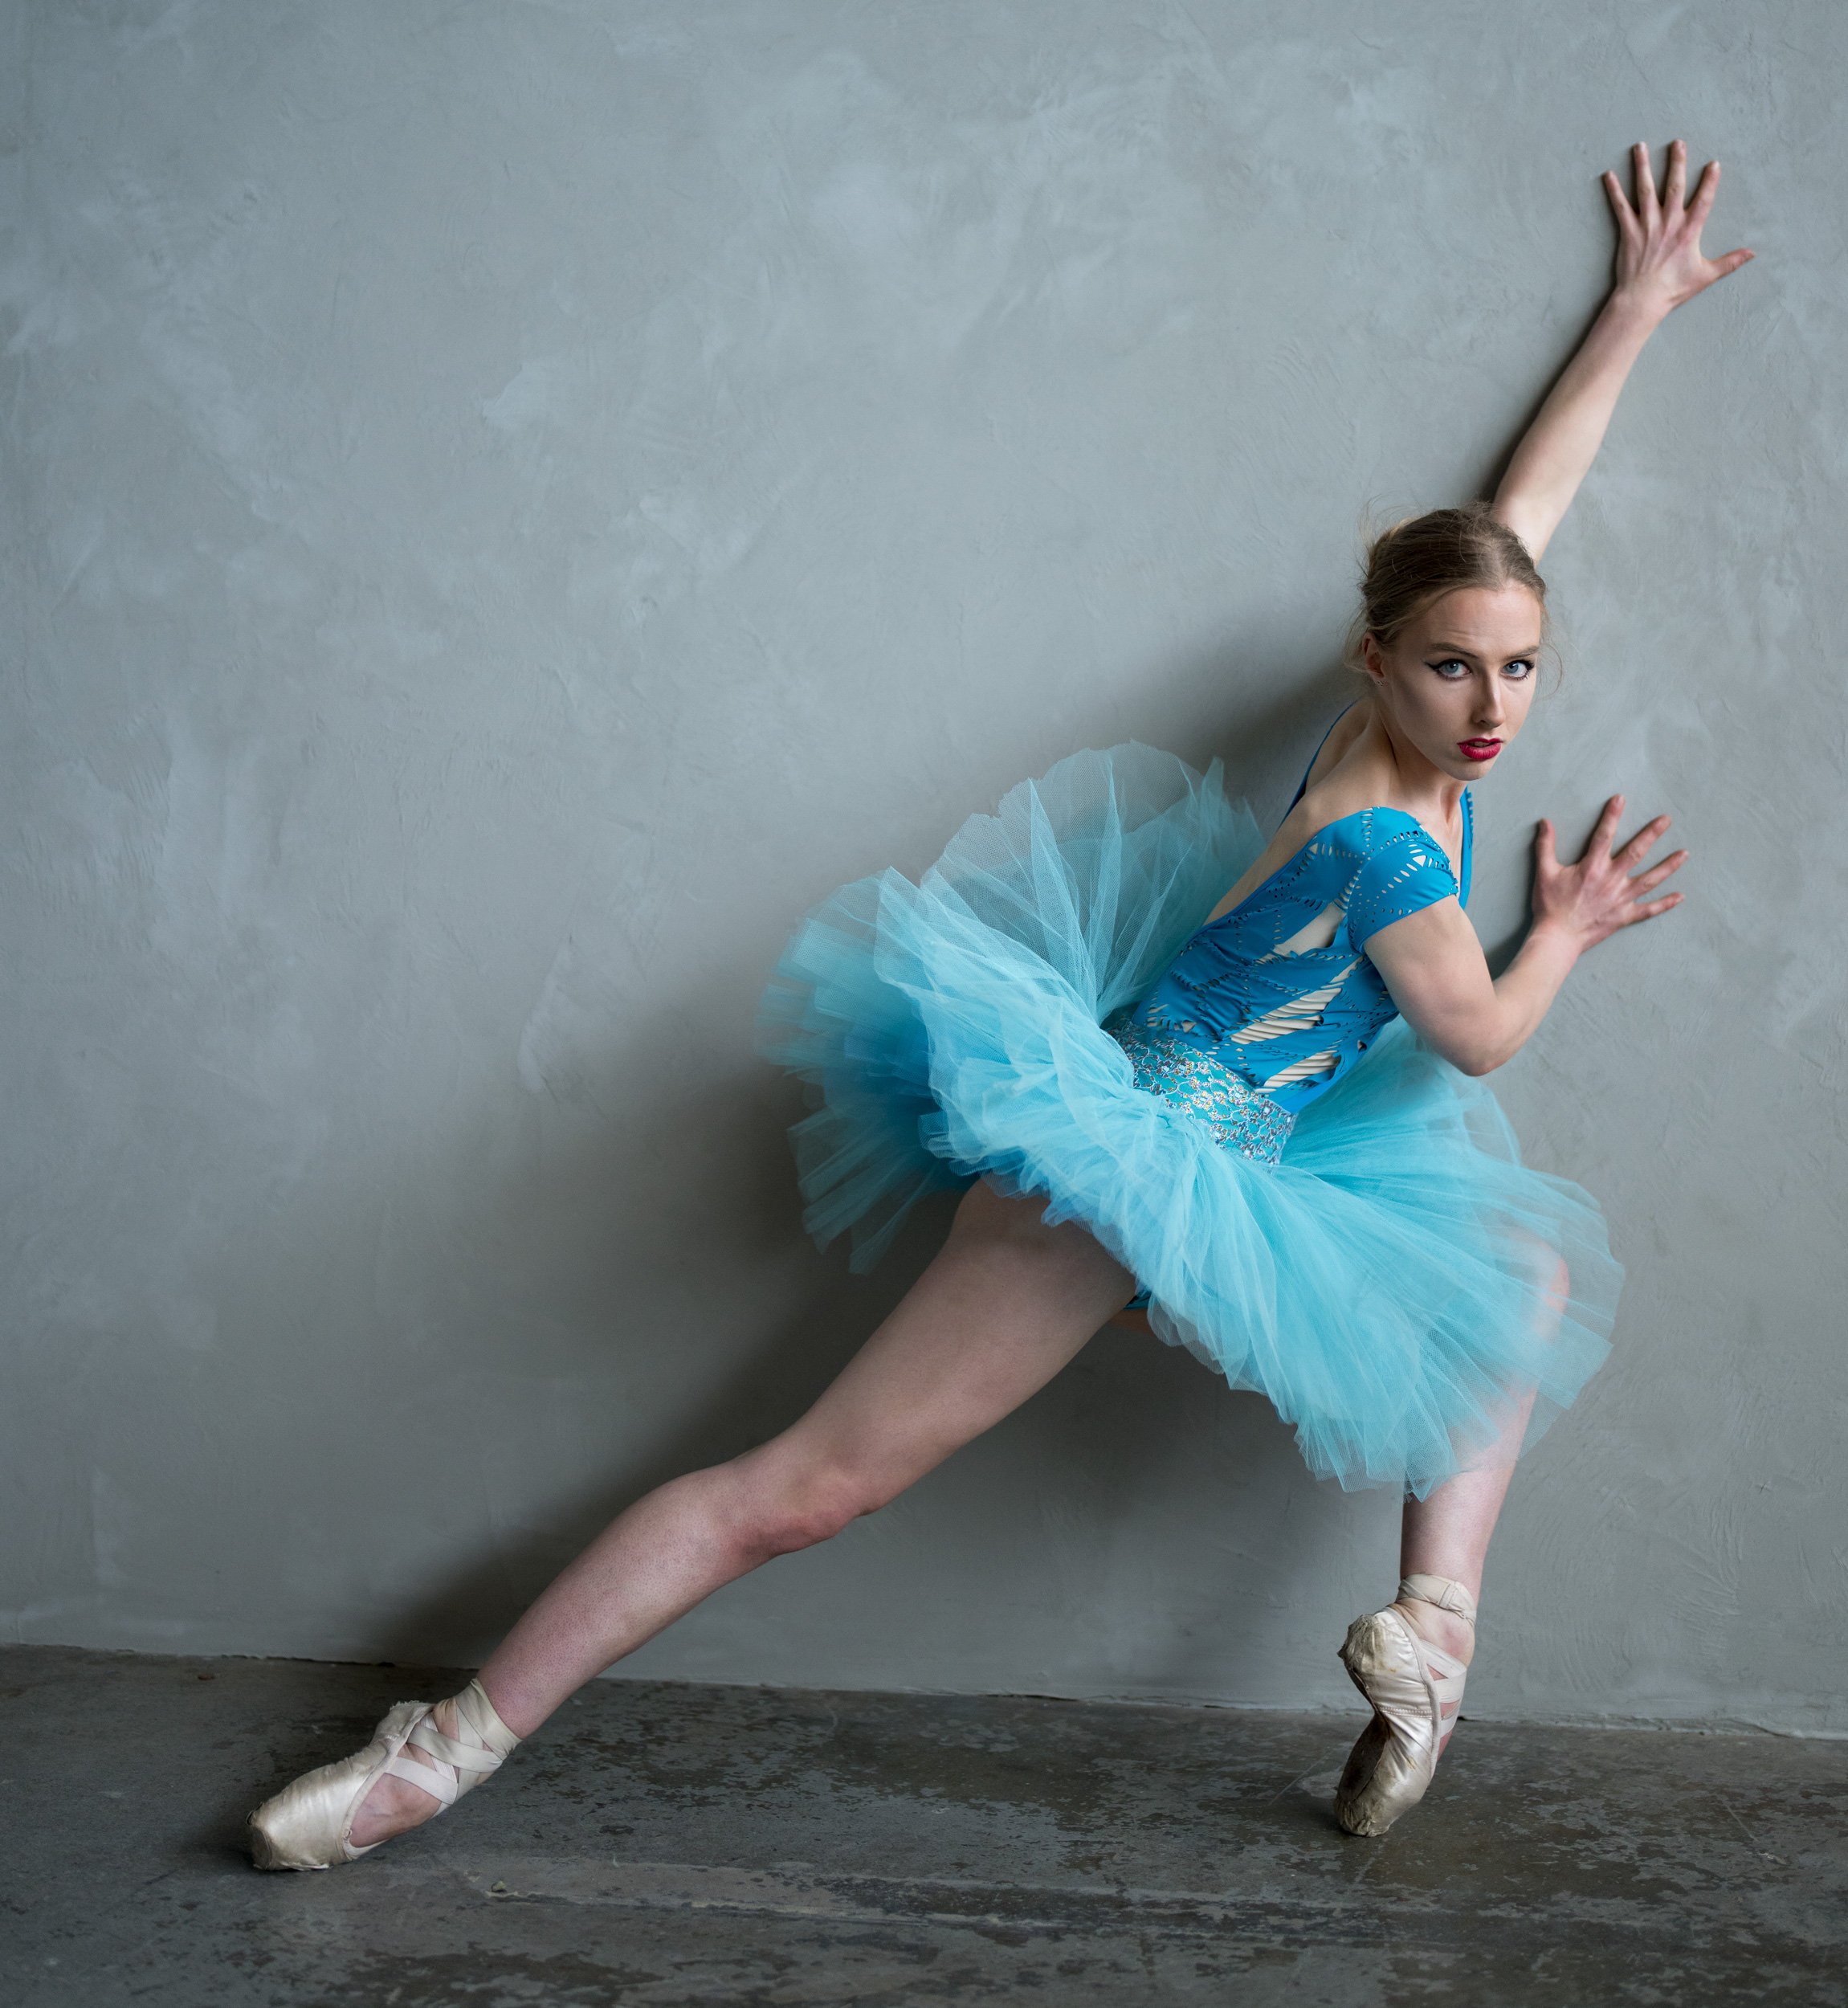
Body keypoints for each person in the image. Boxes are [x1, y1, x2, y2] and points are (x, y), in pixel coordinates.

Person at [248, 140, 1750, 1867]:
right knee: (809, 1486)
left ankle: (1428, 1637)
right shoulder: (1387, 844)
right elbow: (1474, 1032)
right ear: (1373, 664)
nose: (1491, 706)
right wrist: (1557, 924)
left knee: (1517, 1270)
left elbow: (1518, 516)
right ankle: (434, 1751)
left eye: (1519, 666)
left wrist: (1634, 308)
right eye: (1450, 665)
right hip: (1116, 1175)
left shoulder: (1412, 729)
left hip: (1245, 1162)